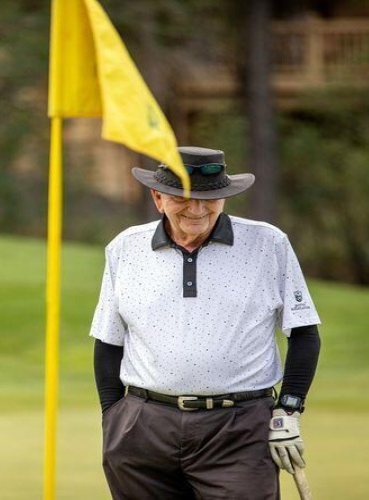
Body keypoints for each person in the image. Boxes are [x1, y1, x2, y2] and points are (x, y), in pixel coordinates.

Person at [90, 146, 321, 499]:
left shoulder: (268, 243)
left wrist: (289, 407)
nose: (197, 210)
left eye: (210, 198)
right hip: (142, 429)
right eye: (183, 198)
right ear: (157, 197)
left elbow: (304, 332)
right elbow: (108, 340)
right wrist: (114, 417)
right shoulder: (125, 247)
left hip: (239, 429)